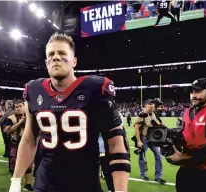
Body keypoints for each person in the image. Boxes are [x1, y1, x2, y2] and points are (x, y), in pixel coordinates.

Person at [9, 33, 130, 192]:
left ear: (74, 61)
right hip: (45, 183)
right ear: (46, 63)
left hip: (84, 184)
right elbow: (29, 138)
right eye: (51, 54)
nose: (56, 58)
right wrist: (16, 181)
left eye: (62, 53)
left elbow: (116, 144)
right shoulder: (33, 90)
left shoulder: (95, 88)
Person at [133, 99, 166, 184]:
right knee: (142, 156)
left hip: (154, 139)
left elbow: (158, 123)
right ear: (145, 105)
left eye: (153, 104)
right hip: (144, 138)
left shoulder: (155, 113)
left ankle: (158, 176)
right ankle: (143, 174)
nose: (152, 105)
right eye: (149, 104)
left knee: (159, 156)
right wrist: (139, 141)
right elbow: (136, 128)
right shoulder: (142, 114)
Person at [4, 100, 34, 191]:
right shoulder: (10, 118)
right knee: (14, 165)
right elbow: (8, 130)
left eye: (20, 106)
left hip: (28, 144)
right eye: (16, 107)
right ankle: (15, 185)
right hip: (15, 144)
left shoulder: (31, 116)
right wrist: (20, 122)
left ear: (24, 106)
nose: (18, 108)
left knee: (29, 164)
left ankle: (27, 184)